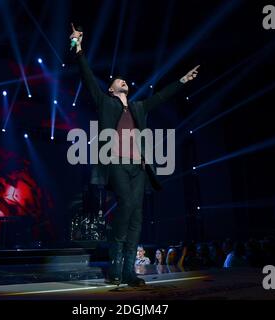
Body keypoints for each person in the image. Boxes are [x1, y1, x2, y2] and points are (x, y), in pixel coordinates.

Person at [70, 24, 199, 287]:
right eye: (118, 80)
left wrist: (182, 81)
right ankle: (115, 268)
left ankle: (129, 273)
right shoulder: (104, 101)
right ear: (110, 89)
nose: (123, 80)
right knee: (126, 205)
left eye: (124, 79)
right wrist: (78, 47)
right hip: (116, 162)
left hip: (138, 167)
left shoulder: (139, 107)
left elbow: (161, 96)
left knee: (137, 216)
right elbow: (86, 76)